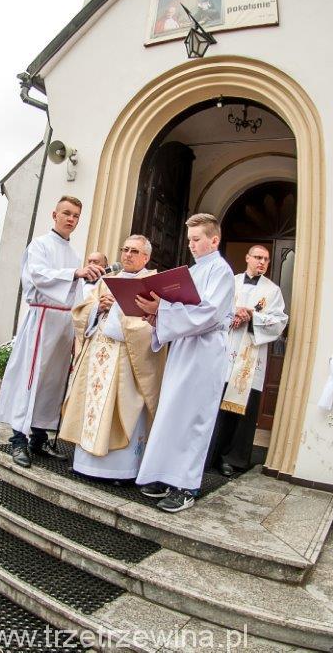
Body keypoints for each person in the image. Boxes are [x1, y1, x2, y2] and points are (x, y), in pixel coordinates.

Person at [133, 213, 234, 512]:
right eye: (189, 239)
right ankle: (165, 476)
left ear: (214, 240)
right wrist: (157, 316)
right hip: (183, 348)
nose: (191, 244)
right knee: (173, 413)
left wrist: (163, 310)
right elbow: (179, 309)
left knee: (194, 418)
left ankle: (186, 486)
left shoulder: (221, 271)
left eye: (196, 239)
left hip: (205, 352)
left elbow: (210, 314)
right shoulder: (191, 271)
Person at [0, 196, 104, 467]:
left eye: (76, 216)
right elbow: (38, 276)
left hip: (64, 323)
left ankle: (39, 438)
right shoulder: (40, 245)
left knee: (53, 383)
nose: (71, 219)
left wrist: (90, 312)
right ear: (54, 215)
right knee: (31, 379)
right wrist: (75, 273)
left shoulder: (74, 254)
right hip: (42, 320)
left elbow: (77, 294)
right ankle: (18, 439)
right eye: (66, 213)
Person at [60, 235, 166, 481]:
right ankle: (84, 465)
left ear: (146, 257)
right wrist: (98, 307)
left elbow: (154, 323)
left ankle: (120, 470)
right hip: (97, 354)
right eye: (125, 249)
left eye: (134, 251)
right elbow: (81, 313)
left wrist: (116, 308)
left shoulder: (152, 284)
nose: (127, 254)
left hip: (127, 359)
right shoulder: (107, 280)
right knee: (90, 405)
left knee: (123, 408)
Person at [207, 245, 288, 476]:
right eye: (258, 257)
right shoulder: (229, 281)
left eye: (266, 259)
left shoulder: (272, 291)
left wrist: (252, 316)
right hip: (224, 353)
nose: (262, 262)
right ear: (247, 258)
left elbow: (279, 322)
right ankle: (208, 454)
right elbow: (212, 309)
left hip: (249, 359)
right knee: (215, 407)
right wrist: (233, 313)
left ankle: (230, 458)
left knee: (240, 412)